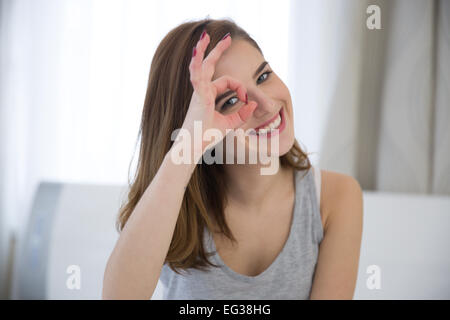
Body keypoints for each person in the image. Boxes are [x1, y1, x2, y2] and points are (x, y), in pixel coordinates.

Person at [102, 18, 363, 300]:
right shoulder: (173, 204)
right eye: (230, 101)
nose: (266, 104)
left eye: (263, 76)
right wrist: (186, 147)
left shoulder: (336, 198)